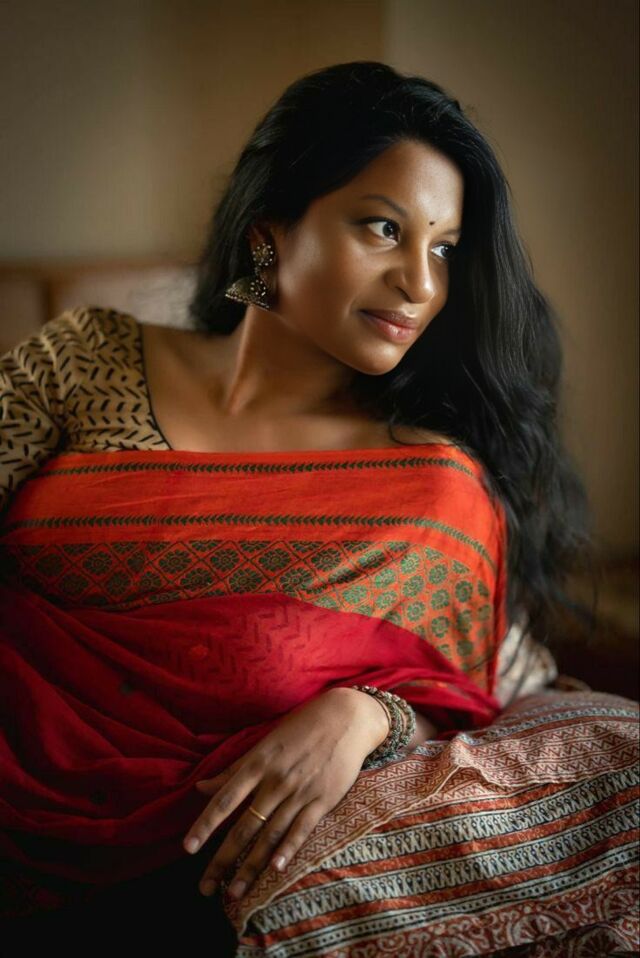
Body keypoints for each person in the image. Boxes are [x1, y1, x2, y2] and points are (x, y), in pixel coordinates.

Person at [1, 61, 637, 955]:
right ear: (269, 233)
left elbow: (467, 689)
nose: (420, 283)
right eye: (384, 228)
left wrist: (368, 715)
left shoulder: (429, 486)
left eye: (444, 249)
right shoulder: (88, 359)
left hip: (194, 884)